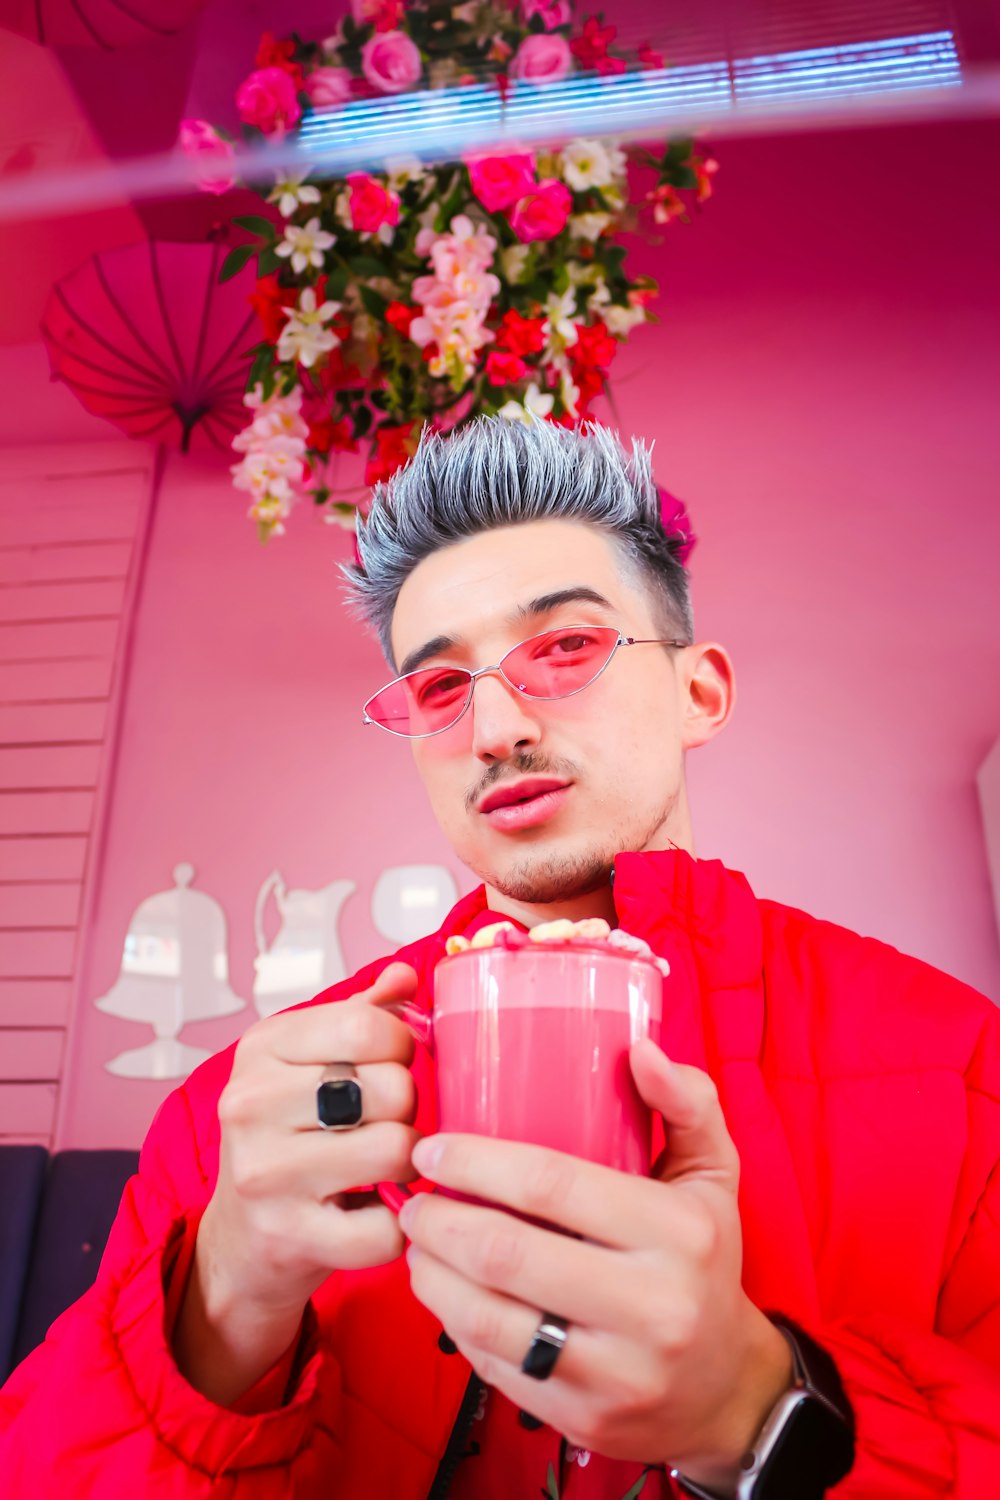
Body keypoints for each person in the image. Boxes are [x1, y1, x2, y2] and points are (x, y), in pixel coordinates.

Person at [1, 417, 998, 1499]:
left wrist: (758, 1412)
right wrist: (223, 1305)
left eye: (564, 648)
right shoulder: (239, 1116)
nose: (491, 726)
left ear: (698, 692)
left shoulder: (963, 1069)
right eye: (439, 689)